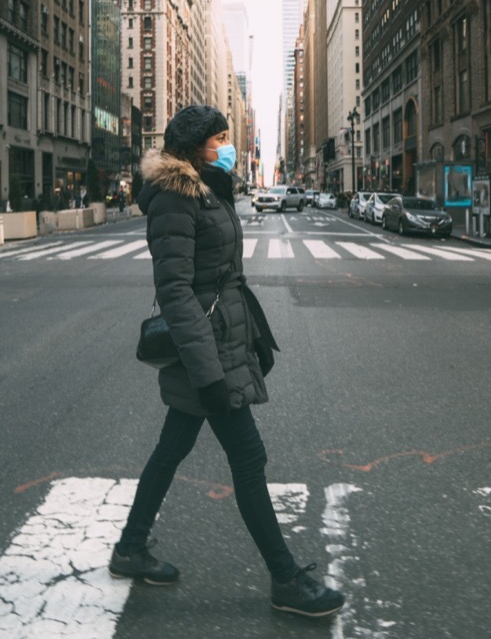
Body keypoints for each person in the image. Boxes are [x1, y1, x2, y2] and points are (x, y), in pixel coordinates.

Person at [109, 105, 345, 618]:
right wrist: (209, 373)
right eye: (219, 137)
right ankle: (285, 579)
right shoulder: (176, 196)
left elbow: (223, 278)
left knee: (171, 449)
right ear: (195, 145)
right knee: (249, 459)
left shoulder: (207, 188)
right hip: (206, 353)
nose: (226, 145)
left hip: (220, 342)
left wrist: (255, 335)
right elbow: (176, 291)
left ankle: (130, 548)